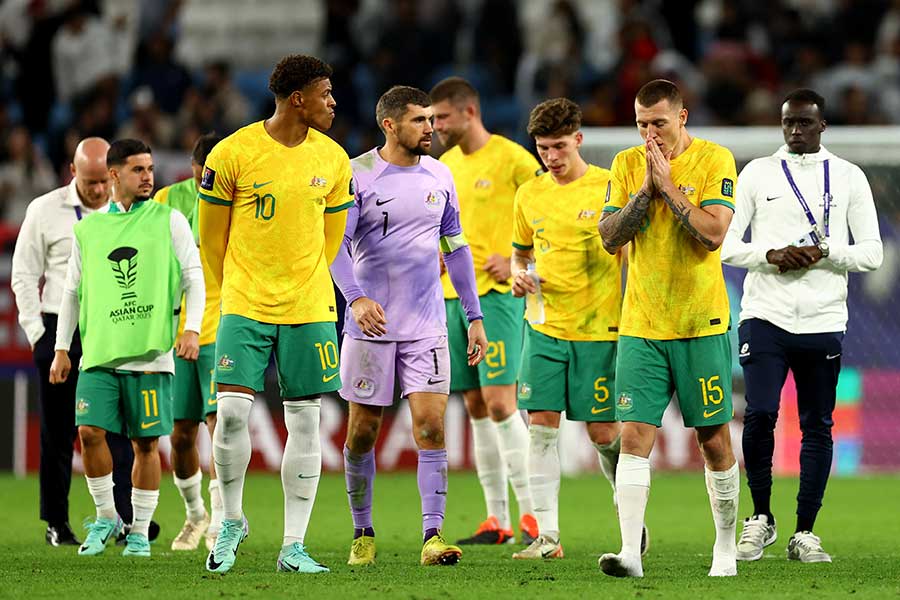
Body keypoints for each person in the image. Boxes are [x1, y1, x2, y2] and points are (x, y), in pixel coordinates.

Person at [199, 54, 353, 575]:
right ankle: (232, 521)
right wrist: (239, 290)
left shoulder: (334, 160)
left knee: (305, 421)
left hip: (309, 307)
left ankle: (293, 545)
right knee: (234, 413)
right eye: (325, 93)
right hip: (244, 302)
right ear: (297, 99)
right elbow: (210, 239)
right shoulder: (233, 152)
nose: (333, 102)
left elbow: (331, 241)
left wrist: (302, 282)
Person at [721, 89, 883, 564]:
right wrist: (770, 256)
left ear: (822, 126)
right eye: (789, 123)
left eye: (805, 124)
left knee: (817, 425)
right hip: (764, 316)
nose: (795, 131)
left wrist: (827, 251)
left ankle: (805, 531)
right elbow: (727, 244)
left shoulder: (849, 177)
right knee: (761, 414)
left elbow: (872, 253)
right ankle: (761, 519)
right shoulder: (757, 172)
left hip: (823, 318)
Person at [331, 85, 488, 567]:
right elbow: (335, 247)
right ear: (390, 125)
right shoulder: (357, 174)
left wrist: (474, 315)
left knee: (430, 426)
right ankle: (363, 533)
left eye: (432, 119)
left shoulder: (441, 174)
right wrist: (355, 301)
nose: (431, 128)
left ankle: (432, 537)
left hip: (427, 324)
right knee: (362, 432)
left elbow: (455, 248)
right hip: (371, 328)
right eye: (420, 120)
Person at [597, 79, 740, 578]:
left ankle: (725, 547)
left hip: (701, 322)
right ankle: (630, 552)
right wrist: (645, 190)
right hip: (641, 323)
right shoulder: (625, 165)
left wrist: (670, 188)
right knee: (634, 434)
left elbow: (712, 235)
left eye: (658, 122)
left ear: (682, 117)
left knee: (713, 439)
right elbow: (611, 237)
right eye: (641, 124)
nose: (649, 134)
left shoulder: (716, 159)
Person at [49, 139, 204, 558]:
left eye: (150, 168)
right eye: (138, 169)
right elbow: (70, 293)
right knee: (89, 432)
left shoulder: (168, 220)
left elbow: (194, 275)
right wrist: (63, 348)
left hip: (151, 353)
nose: (148, 176)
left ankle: (138, 531)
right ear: (115, 174)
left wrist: (191, 329)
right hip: (99, 351)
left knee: (146, 446)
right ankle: (106, 516)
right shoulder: (88, 229)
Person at [11, 137, 148, 547]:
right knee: (58, 431)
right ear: (73, 173)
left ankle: (124, 519)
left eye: (103, 182)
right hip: (59, 329)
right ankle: (57, 522)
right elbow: (23, 276)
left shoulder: (130, 212)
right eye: (89, 182)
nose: (98, 191)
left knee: (123, 427)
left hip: (113, 327)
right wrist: (39, 336)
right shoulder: (44, 210)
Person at [506, 98, 626, 560]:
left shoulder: (608, 187)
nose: (551, 158)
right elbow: (521, 253)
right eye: (542, 149)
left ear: (578, 139)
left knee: (602, 433)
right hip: (543, 326)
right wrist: (521, 273)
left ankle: (627, 507)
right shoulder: (529, 194)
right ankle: (548, 537)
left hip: (599, 330)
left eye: (558, 147)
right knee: (541, 427)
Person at [428, 76, 540, 546]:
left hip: (496, 296)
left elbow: (548, 214)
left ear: (469, 112)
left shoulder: (515, 159)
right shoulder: (442, 167)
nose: (434, 127)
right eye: (430, 120)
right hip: (450, 296)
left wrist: (520, 261)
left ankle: (535, 514)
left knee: (499, 401)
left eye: (441, 118)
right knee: (474, 405)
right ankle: (497, 519)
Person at [154, 133, 224, 551]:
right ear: (195, 167)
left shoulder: (239, 197)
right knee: (181, 434)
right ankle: (195, 514)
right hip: (177, 333)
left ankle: (222, 521)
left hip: (221, 328)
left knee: (220, 427)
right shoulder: (167, 200)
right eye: (203, 173)